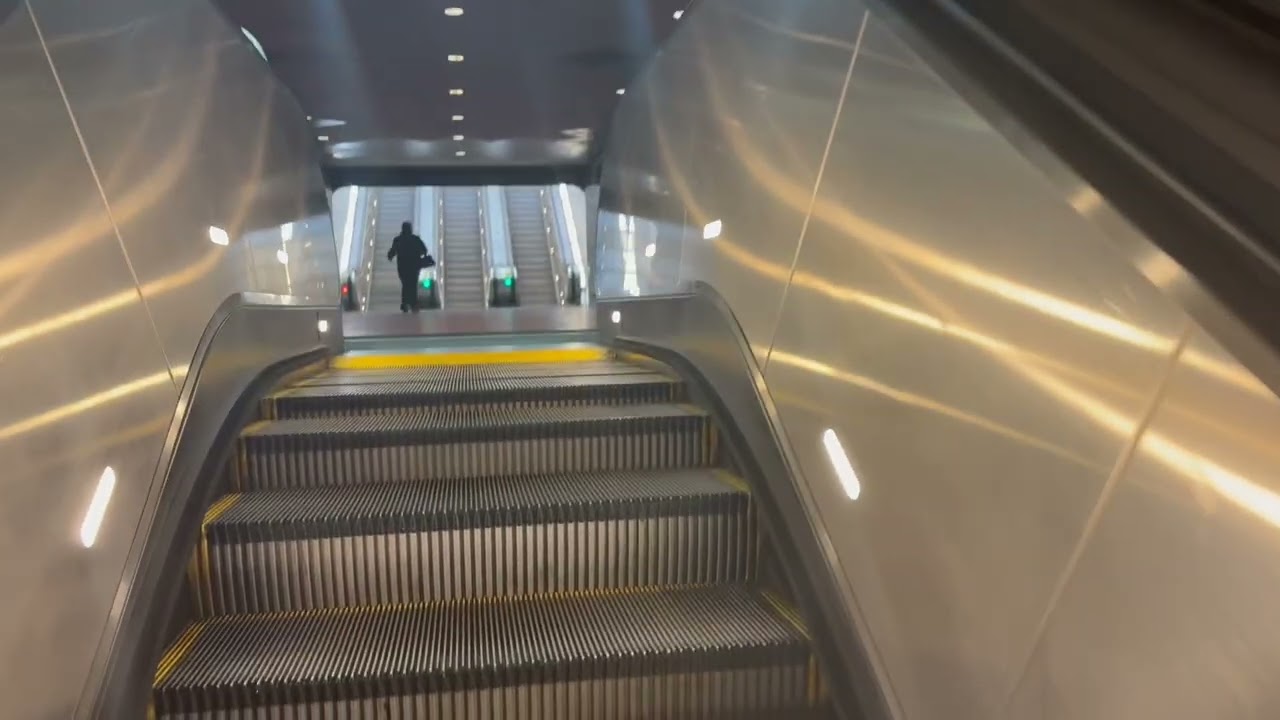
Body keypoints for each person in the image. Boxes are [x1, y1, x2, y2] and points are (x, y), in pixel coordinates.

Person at [387, 221, 433, 312]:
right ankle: (413, 303)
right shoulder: (415, 239)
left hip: (402, 266)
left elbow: (392, 251)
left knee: (405, 284)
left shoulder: (398, 240)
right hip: (414, 266)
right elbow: (424, 250)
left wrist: (390, 256)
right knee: (413, 284)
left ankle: (405, 303)